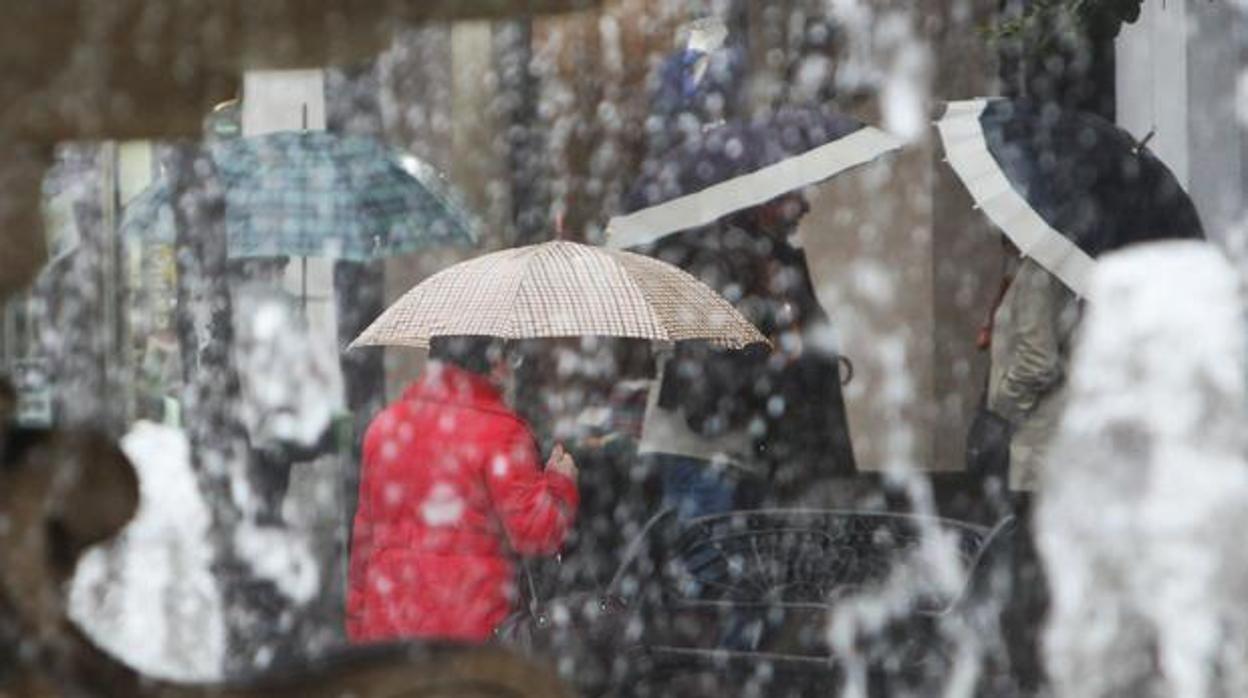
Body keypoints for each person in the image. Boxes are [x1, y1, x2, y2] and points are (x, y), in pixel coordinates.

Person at [345, 337, 579, 644]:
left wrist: (357, 623)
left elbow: (364, 540)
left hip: (388, 632)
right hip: (469, 636)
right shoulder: (502, 433)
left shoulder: (385, 426)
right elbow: (537, 535)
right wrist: (561, 483)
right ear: (495, 364)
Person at [640, 191, 856, 519]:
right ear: (763, 200)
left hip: (742, 448)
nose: (804, 208)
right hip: (711, 448)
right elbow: (712, 365)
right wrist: (779, 357)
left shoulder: (767, 258)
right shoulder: (728, 258)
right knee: (712, 549)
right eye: (794, 196)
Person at [978, 251, 1082, 691]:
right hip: (1045, 451)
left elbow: (1039, 360)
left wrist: (1001, 407)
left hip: (1040, 450)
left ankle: (1035, 673)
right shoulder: (1043, 269)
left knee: (1032, 574)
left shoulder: (1041, 270)